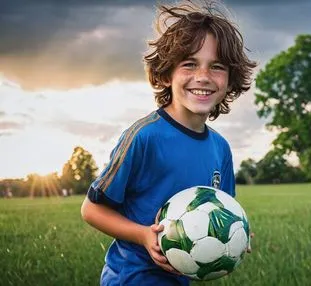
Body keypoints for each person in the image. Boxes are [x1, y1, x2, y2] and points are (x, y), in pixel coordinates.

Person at [80, 1, 256, 285]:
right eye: (189, 64)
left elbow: (222, 211)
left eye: (217, 67)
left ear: (230, 78)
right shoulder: (144, 137)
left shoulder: (220, 148)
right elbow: (92, 209)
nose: (203, 77)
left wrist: (236, 233)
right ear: (166, 74)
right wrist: (143, 235)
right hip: (131, 278)